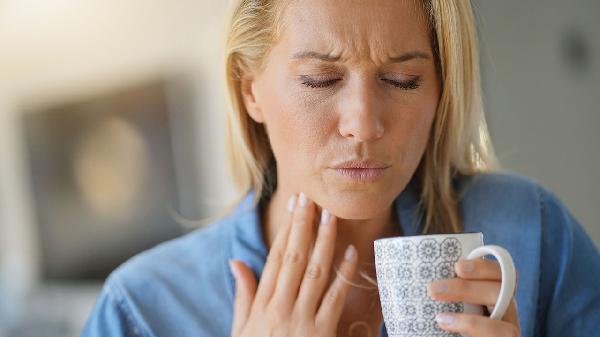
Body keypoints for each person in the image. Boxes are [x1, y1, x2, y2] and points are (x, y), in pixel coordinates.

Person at [81, 0, 600, 336]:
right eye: (319, 80)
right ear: (249, 90)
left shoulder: (534, 234)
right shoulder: (142, 311)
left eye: (402, 80)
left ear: (443, 87)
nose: (364, 124)